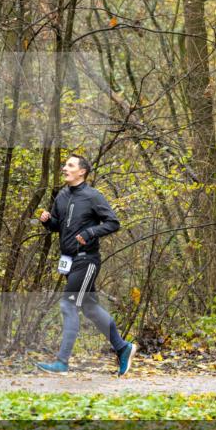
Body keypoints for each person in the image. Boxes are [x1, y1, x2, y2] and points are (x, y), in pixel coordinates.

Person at [36, 154, 136, 376]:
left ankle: (62, 362)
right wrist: (48, 221)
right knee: (90, 308)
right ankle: (123, 347)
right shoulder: (62, 196)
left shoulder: (93, 196)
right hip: (69, 261)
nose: (64, 168)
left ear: (82, 171)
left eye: (70, 165)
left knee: (68, 304)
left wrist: (90, 232)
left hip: (87, 260)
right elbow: (58, 226)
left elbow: (113, 222)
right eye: (65, 165)